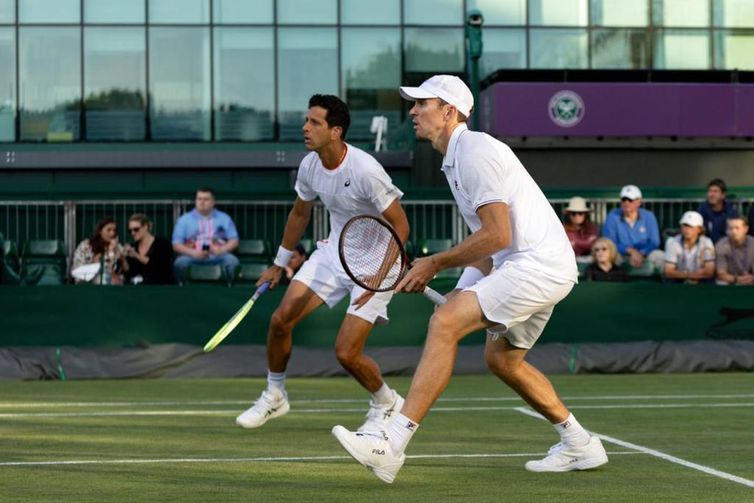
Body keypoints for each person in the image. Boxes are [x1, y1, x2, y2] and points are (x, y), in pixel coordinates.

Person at [332, 75, 607, 483]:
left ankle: (390, 445)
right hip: (535, 266)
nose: (412, 111)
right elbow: (490, 249)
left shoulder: (474, 150)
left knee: (444, 323)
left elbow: (498, 235)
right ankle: (580, 443)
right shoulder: (456, 160)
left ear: (449, 111)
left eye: (421, 104)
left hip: (536, 265)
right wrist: (461, 291)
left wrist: (434, 264)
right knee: (503, 361)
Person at [235, 94, 409, 433]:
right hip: (334, 253)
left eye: (314, 122)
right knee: (280, 321)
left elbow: (401, 226)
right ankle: (275, 394)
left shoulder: (365, 170)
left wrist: (377, 277)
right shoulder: (310, 165)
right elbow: (300, 213)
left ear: (335, 131)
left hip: (377, 265)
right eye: (306, 120)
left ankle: (386, 401)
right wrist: (278, 263)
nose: (305, 127)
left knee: (346, 353)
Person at [172, 187, 239, 284]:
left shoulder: (224, 218)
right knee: (180, 263)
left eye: (206, 199)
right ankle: (182, 292)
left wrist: (221, 250)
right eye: (199, 199)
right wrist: (192, 252)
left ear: (213, 202)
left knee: (232, 262)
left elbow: (234, 240)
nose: (202, 202)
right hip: (193, 256)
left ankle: (229, 290)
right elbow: (176, 244)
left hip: (217, 256)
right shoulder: (184, 220)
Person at [602, 185, 663, 272]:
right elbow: (610, 242)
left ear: (639, 201)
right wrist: (631, 252)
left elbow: (654, 242)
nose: (626, 203)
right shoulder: (612, 216)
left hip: (646, 253)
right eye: (624, 200)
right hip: (622, 254)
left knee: (660, 256)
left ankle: (666, 284)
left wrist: (641, 253)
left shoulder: (649, 216)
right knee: (609, 256)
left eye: (630, 200)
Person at [72, 217, 128, 285]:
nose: (112, 233)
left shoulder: (118, 247)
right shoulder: (86, 245)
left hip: (112, 283)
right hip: (86, 281)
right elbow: (78, 268)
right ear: (100, 231)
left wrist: (120, 256)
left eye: (114, 230)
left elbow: (126, 269)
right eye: (109, 230)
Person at [663, 211, 715, 284]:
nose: (687, 229)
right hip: (679, 280)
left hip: (700, 280)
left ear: (699, 229)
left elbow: (709, 272)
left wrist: (688, 276)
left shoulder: (707, 243)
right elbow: (668, 272)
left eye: (691, 226)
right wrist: (690, 275)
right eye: (684, 226)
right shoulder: (673, 242)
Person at [123, 213, 174, 285]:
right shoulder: (133, 247)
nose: (133, 233)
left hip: (161, 287)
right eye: (130, 231)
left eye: (136, 229)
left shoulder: (162, 244)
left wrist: (137, 256)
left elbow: (161, 266)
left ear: (146, 227)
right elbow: (129, 274)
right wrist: (123, 259)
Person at [696, 178, 738, 243]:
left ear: (723, 195)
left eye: (715, 191)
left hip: (727, 246)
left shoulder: (731, 211)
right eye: (710, 191)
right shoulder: (702, 210)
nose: (711, 195)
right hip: (706, 246)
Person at [715, 216, 754, 285]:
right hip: (731, 279)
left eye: (737, 228)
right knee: (721, 283)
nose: (733, 231)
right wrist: (737, 279)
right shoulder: (721, 245)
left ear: (746, 229)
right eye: (730, 228)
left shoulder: (752, 244)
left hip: (751, 278)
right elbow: (721, 273)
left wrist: (751, 278)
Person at [562, 196, 598, 261]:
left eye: (580, 213)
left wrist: (575, 242)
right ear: (568, 215)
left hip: (589, 261)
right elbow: (565, 248)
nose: (577, 216)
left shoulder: (591, 227)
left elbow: (594, 245)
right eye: (573, 213)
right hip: (568, 261)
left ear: (585, 214)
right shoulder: (562, 228)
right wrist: (587, 242)